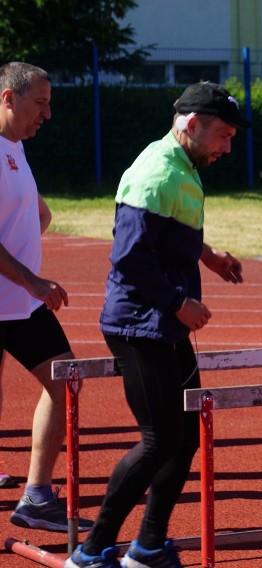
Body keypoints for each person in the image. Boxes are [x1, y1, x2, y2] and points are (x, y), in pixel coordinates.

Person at [65, 82, 249, 568]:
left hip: (163, 324)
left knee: (185, 436)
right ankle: (90, 551)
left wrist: (206, 255)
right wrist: (177, 303)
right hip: (137, 324)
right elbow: (128, 258)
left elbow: (168, 234)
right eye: (223, 136)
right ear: (191, 125)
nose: (227, 147)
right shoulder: (155, 173)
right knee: (158, 439)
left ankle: (147, 547)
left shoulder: (183, 164)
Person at [0, 61, 96, 533]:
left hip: (14, 302)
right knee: (65, 380)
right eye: (40, 103)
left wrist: (28, 236)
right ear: (8, 98)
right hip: (14, 300)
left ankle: (37, 496)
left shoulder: (14, 147)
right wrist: (32, 280)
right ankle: (37, 496)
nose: (48, 114)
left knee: (64, 383)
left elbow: (39, 213)